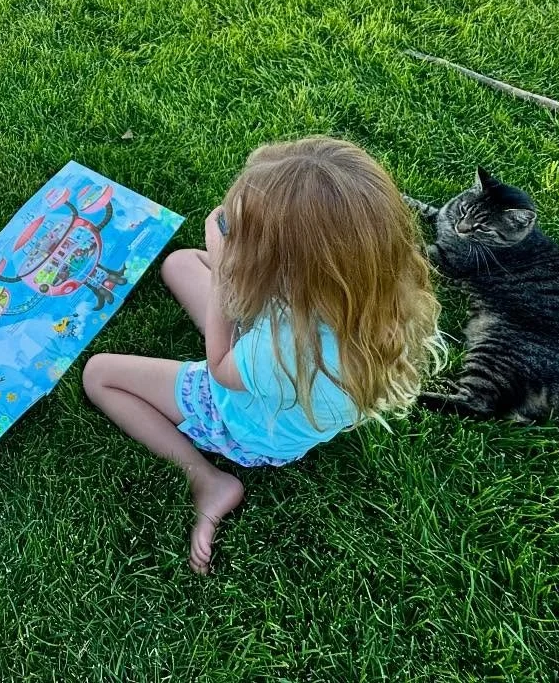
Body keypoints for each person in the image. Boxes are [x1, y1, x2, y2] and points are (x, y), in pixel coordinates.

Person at [83, 137, 441, 573]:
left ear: (290, 272)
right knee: (180, 264)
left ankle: (208, 480)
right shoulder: (376, 305)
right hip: (285, 362)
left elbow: (220, 368)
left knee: (100, 374)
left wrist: (224, 276)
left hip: (242, 423)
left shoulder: (284, 350)